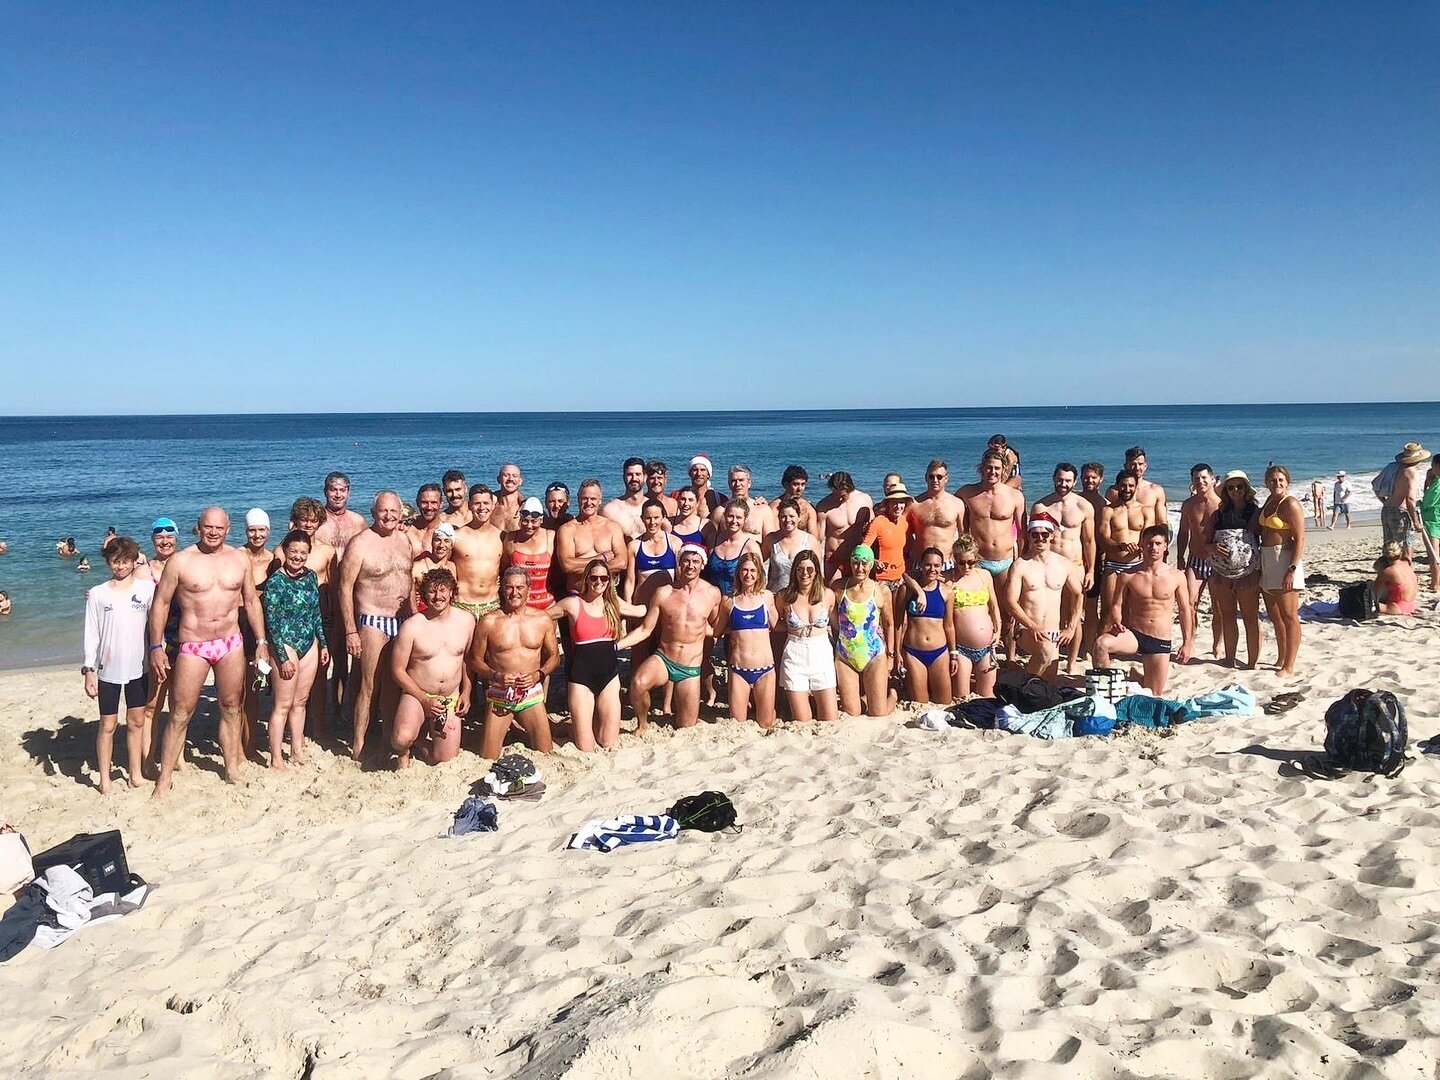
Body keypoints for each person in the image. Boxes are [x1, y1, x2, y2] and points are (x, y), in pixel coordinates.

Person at [148, 508, 270, 796]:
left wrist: (262, 642)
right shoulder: (181, 561)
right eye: (207, 527)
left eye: (219, 527)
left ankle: (231, 769)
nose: (213, 532)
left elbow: (251, 602)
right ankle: (164, 778)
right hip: (193, 644)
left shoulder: (239, 559)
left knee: (231, 706)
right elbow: (161, 604)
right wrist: (156, 646)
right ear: (198, 528)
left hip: (231, 642)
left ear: (228, 529)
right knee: (180, 712)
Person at [337, 492, 413, 758]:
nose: (389, 516)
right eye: (383, 511)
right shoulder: (360, 543)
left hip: (401, 620)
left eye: (393, 511)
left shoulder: (405, 540)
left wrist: (414, 616)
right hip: (372, 619)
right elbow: (344, 588)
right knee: (369, 685)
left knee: (394, 684)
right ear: (373, 512)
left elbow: (409, 581)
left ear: (401, 513)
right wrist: (350, 630)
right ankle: (358, 744)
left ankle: (386, 739)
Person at [616, 545, 723, 731]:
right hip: (664, 659)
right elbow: (645, 629)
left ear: (702, 565)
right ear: (679, 564)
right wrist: (616, 646)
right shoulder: (663, 593)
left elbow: (715, 626)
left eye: (695, 562)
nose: (690, 566)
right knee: (638, 683)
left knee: (686, 725)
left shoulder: (712, 593)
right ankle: (642, 724)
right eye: (686, 561)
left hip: (690, 668)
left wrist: (699, 638)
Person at [549, 558, 647, 750]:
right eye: (594, 578)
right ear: (586, 579)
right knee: (586, 748)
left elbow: (640, 611)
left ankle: (582, 722)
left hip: (609, 676)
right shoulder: (573, 603)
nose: (599, 582)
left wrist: (661, 598)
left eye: (604, 578)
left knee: (609, 742)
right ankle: (570, 727)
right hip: (580, 678)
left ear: (610, 581)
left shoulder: (613, 604)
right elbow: (542, 617)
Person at [82, 536, 154, 793]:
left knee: (136, 721)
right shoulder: (98, 594)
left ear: (134, 562)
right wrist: (89, 670)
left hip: (139, 667)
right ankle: (104, 778)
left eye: (125, 561)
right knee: (108, 725)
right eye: (115, 561)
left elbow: (163, 613)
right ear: (108, 562)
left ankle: (135, 774)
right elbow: (91, 633)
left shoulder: (147, 590)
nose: (120, 567)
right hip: (107, 669)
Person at [468, 567, 560, 759]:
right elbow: (474, 660)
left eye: (519, 587)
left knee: (545, 752)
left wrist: (539, 675)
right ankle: (514, 729)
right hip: (500, 694)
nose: (514, 592)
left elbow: (554, 656)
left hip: (530, 692)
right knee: (487, 758)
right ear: (502, 589)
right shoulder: (489, 621)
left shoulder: (542, 619)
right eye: (509, 587)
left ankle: (519, 730)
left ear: (528, 588)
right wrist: (495, 675)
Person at [1094, 525, 1195, 695]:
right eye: (1148, 543)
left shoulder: (1176, 576)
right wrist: (1117, 620)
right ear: (1141, 544)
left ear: (1165, 545)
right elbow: (1116, 605)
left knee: (1153, 694)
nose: (1153, 548)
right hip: (1134, 635)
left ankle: (1137, 678)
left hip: (1159, 640)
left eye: (1157, 543)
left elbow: (1185, 611)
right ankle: (1105, 692)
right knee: (1101, 644)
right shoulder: (1128, 575)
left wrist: (1188, 643)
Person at [390, 568, 475, 768]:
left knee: (445, 760)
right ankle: (408, 746)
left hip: (449, 697)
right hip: (417, 694)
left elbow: (468, 661)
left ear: (452, 592)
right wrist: (424, 700)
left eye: (443, 590)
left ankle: (420, 743)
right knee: (401, 739)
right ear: (424, 594)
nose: (438, 596)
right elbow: (397, 670)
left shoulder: (466, 621)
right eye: (432, 591)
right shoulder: (412, 626)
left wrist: (467, 691)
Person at [262, 530, 328, 771]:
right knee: (282, 705)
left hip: (309, 643)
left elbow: (315, 613)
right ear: (285, 552)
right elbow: (272, 623)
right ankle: (276, 757)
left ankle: (297, 749)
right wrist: (282, 658)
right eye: (294, 552)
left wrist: (323, 643)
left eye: (303, 552)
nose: (298, 557)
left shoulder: (311, 577)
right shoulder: (276, 582)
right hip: (285, 644)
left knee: (301, 701)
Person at [1033, 462, 1096, 673]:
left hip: (1075, 565)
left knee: (1074, 615)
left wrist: (1091, 570)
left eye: (1068, 480)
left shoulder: (1083, 506)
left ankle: (1071, 662)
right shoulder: (1041, 507)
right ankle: (1053, 656)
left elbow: (1089, 541)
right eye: (1060, 479)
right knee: (1052, 614)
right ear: (1053, 478)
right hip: (1049, 566)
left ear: (1074, 482)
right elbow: (1034, 540)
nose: (1063, 484)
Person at [1006, 515, 1083, 680]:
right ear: (1029, 536)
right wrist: (1032, 626)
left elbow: (1078, 594)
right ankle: (1023, 688)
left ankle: (1029, 688)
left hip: (1053, 632)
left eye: (1044, 534)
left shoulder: (1064, 564)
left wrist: (1071, 627)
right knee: (1045, 652)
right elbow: (1010, 602)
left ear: (1052, 536)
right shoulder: (1020, 565)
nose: (1040, 538)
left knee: (1049, 681)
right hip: (1028, 630)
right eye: (1035, 534)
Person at [287, 498, 340, 734]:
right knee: (292, 675)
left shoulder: (328, 552)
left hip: (321, 613)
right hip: (293, 618)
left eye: (313, 520)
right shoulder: (283, 551)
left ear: (319, 522)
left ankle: (318, 727)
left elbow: (336, 587)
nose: (308, 524)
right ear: (295, 521)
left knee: (319, 674)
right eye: (304, 519)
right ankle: (294, 726)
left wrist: (338, 621)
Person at [1204, 470, 1263, 670]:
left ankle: (1252, 662)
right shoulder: (1218, 513)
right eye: (1231, 487)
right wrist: (1212, 547)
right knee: (1227, 616)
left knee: (1250, 618)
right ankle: (1229, 658)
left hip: (1248, 572)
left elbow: (1265, 538)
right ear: (1226, 491)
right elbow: (1205, 542)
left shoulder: (1255, 512)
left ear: (1246, 489)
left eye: (1239, 486)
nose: (1235, 491)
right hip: (1222, 573)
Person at [831, 545, 895, 717]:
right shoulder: (838, 588)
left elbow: (889, 624)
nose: (860, 568)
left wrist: (891, 655)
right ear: (850, 564)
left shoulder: (881, 590)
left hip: (874, 654)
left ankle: (892, 697)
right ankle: (869, 697)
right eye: (856, 563)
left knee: (878, 713)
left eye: (865, 563)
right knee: (852, 713)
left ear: (871, 565)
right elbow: (833, 621)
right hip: (845, 656)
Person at [719, 551, 780, 728]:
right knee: (737, 724)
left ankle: (768, 710)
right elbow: (717, 630)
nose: (748, 575)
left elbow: (778, 624)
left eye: (753, 571)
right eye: (745, 570)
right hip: (739, 670)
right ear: (738, 572)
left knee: (765, 722)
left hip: (765, 670)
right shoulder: (729, 601)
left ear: (759, 573)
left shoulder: (766, 597)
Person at [776, 550, 838, 722]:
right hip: (795, 654)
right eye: (800, 569)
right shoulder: (783, 597)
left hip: (822, 654)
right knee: (802, 721)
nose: (805, 573)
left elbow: (836, 627)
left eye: (809, 569)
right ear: (794, 571)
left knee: (830, 719)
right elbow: (774, 625)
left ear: (816, 571)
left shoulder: (827, 595)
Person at [1258, 465, 1306, 677]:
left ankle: (1290, 665)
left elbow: (1301, 538)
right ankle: (1281, 655)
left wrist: (1292, 569)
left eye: (1280, 480)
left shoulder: (1291, 504)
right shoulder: (1269, 501)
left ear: (1287, 482)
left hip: (1285, 559)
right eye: (1272, 480)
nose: (1276, 484)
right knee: (1275, 614)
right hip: (1267, 558)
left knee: (1289, 616)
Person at [141, 517, 181, 768]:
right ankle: (148, 757)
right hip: (156, 643)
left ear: (176, 538)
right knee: (152, 705)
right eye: (159, 537)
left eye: (169, 536)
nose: (164, 541)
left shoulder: (184, 564)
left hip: (181, 642)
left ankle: (178, 757)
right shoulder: (143, 571)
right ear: (153, 540)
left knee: (179, 703)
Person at [863, 479, 914, 661]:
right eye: (895, 502)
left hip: (900, 578)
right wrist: (874, 561)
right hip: (882, 580)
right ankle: (887, 656)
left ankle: (899, 654)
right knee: (886, 622)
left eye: (902, 502)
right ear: (887, 504)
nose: (898, 506)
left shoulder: (904, 522)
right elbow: (863, 548)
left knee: (902, 620)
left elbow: (909, 546)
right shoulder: (878, 522)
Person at [240, 508, 276, 758]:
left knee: (270, 684)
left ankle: (259, 739)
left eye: (261, 530)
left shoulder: (275, 560)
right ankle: (246, 743)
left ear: (269, 531)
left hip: (268, 626)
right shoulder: (236, 556)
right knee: (245, 690)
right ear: (245, 531)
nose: (257, 535)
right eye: (252, 530)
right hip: (241, 625)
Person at [1175, 463, 1221, 658]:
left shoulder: (1221, 504)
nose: (1200, 481)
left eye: (1204, 478)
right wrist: (1179, 557)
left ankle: (1217, 644)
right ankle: (1189, 642)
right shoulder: (1189, 504)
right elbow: (1183, 532)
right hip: (1195, 561)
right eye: (1196, 478)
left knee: (1217, 607)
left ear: (1212, 479)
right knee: (1189, 603)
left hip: (1217, 562)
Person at [898, 547, 954, 705]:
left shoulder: (946, 592)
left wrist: (953, 653)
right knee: (920, 703)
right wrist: (896, 652)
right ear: (921, 565)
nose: (932, 569)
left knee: (944, 703)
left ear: (942, 566)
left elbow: (949, 626)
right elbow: (898, 624)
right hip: (913, 653)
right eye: (928, 565)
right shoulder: (907, 591)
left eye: (937, 565)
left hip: (940, 653)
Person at [949, 534, 1001, 700]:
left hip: (987, 648)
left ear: (977, 559)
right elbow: (916, 576)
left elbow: (993, 606)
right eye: (961, 562)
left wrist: (998, 629)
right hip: (962, 650)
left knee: (988, 697)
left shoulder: (984, 575)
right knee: (961, 698)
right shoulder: (949, 580)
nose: (966, 567)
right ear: (954, 559)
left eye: (971, 562)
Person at [1100, 470, 1158, 614]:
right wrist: (1121, 546)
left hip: (1136, 565)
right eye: (1123, 485)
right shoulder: (1108, 510)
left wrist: (1140, 547)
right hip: (1113, 566)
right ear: (1117, 486)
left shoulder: (1146, 510)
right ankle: (1103, 637)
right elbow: (1103, 539)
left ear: (1136, 487)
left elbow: (1148, 537)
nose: (1127, 489)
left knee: (1130, 612)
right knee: (1108, 612)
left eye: (1131, 486)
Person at [557, 479, 628, 595]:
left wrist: (583, 568)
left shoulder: (612, 527)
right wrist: (601, 558)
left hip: (607, 594)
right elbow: (567, 565)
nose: (589, 502)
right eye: (585, 498)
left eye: (593, 499)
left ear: (600, 500)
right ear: (578, 498)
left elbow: (622, 562)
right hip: (578, 595)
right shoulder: (567, 530)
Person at [450, 485, 505, 617]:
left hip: (493, 604)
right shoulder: (457, 536)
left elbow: (505, 567)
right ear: (469, 505)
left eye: (486, 503)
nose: (482, 508)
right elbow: (443, 564)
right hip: (462, 605)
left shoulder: (501, 536)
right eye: (477, 503)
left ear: (492, 505)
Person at [1076, 462, 1108, 665]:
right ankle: (1072, 642)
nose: (1089, 480)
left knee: (1091, 606)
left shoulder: (1104, 504)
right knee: (1069, 606)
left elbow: (1104, 536)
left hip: (1095, 561)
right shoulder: (1075, 500)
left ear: (1101, 479)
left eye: (1093, 477)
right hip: (1073, 558)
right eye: (1086, 477)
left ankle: (1087, 646)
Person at [908, 460, 966, 568]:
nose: (935, 480)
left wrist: (961, 558)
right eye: (931, 476)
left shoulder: (957, 503)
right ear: (926, 478)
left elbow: (963, 536)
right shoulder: (914, 504)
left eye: (939, 477)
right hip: (921, 562)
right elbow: (906, 534)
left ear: (946, 479)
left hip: (947, 562)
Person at [817, 471, 873, 581]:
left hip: (857, 559)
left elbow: (872, 528)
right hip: (834, 560)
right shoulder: (824, 506)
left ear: (850, 489)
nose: (839, 499)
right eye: (835, 494)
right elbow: (818, 539)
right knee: (836, 593)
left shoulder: (864, 499)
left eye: (842, 495)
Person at [503, 497, 556, 611]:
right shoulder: (511, 538)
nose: (529, 525)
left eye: (534, 521)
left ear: (541, 520)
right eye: (525, 520)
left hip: (546, 606)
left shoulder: (550, 536)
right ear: (520, 519)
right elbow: (503, 571)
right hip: (518, 607)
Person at [763, 498, 819, 595]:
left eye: (792, 516)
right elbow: (758, 563)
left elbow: (818, 573)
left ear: (799, 517)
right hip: (775, 595)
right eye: (783, 516)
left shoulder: (810, 540)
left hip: (801, 595)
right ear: (779, 518)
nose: (788, 520)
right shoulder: (771, 539)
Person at [1383, 443, 1430, 557]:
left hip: (1387, 509)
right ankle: (1405, 572)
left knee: (1390, 547)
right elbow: (1410, 499)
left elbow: (1376, 485)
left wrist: (1385, 501)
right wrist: (1416, 521)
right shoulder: (1411, 472)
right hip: (1401, 512)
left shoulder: (1394, 468)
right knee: (1405, 546)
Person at [713, 464, 777, 539]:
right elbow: (712, 541)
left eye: (741, 480)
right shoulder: (719, 512)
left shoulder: (763, 510)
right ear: (729, 484)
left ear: (749, 483)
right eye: (734, 481)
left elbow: (770, 542)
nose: (738, 484)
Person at [1107, 447, 1167, 524]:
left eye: (1140, 464)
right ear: (1125, 466)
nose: (1137, 468)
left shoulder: (1156, 491)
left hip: (1148, 534)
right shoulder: (1113, 492)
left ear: (1145, 466)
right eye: (1133, 464)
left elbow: (1162, 522)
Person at [314, 472, 367, 558]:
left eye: (342, 490)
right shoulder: (314, 521)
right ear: (325, 492)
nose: (338, 495)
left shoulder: (358, 522)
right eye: (333, 490)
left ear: (348, 492)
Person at [411, 522, 457, 608]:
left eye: (446, 541)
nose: (441, 545)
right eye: (437, 540)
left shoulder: (452, 567)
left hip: (444, 615)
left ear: (451, 545)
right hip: (422, 614)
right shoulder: (418, 567)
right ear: (432, 543)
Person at [603, 456, 649, 539]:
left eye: (638, 474)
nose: (634, 478)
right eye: (629, 475)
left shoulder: (654, 508)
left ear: (645, 477)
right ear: (623, 477)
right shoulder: (610, 510)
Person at [771, 465, 821, 537]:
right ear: (786, 485)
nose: (800, 488)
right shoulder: (775, 508)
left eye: (803, 484)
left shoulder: (808, 508)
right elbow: (773, 536)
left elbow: (814, 537)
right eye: (795, 484)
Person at [1373, 542, 1419, 616]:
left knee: (1364, 602)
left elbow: (1375, 591)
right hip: (1411, 605)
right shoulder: (1407, 563)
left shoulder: (1388, 571)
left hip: (1396, 607)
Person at [1420, 454, 1440, 591]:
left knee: (1433, 553)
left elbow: (1427, 502)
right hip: (1436, 518)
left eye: (1433, 465)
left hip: (1433, 520)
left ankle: (1435, 583)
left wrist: (1417, 504)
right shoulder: (1435, 481)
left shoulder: (1437, 484)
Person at [409, 483, 445, 555]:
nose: (429, 507)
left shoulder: (446, 532)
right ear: (417, 503)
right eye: (424, 502)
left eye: (433, 502)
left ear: (441, 504)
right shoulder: (407, 530)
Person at [494, 463, 525, 533]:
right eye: (506, 475)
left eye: (515, 476)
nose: (510, 479)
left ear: (520, 481)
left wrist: (524, 501)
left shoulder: (526, 509)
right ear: (498, 479)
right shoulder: (489, 506)